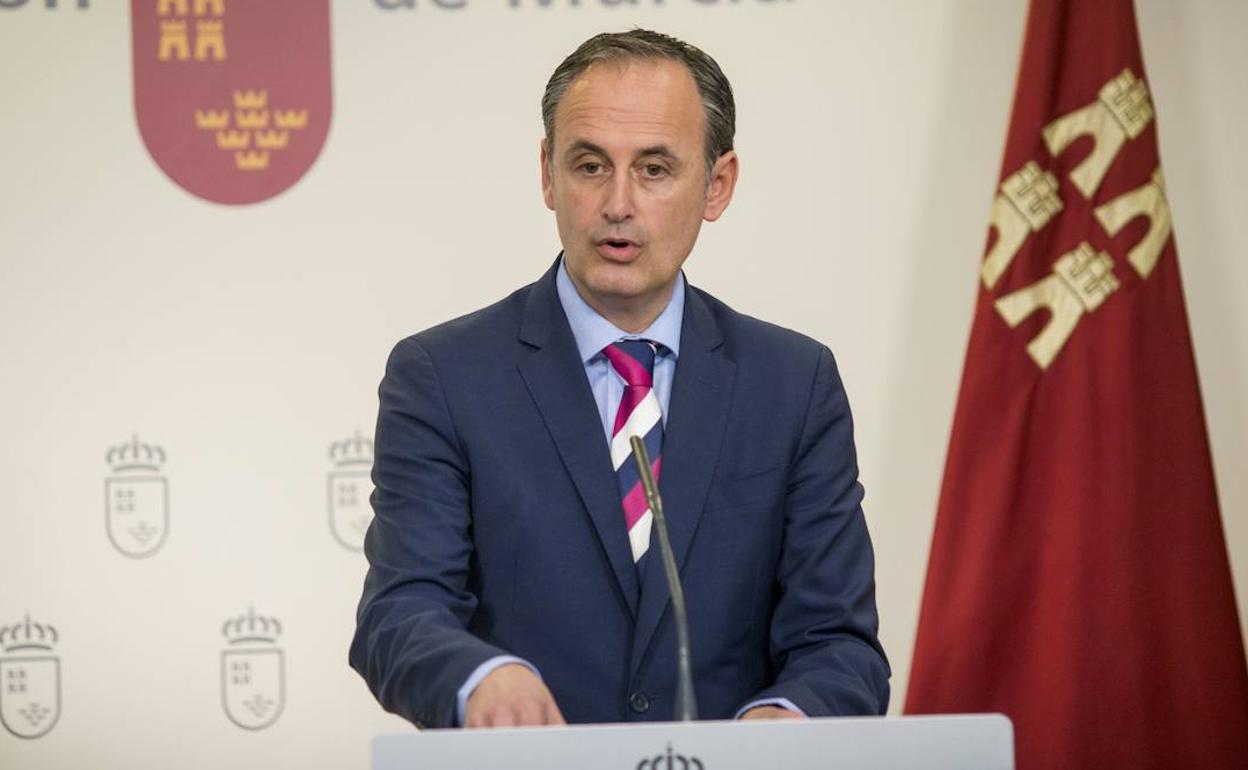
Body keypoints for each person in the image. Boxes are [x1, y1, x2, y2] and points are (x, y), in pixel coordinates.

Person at [349, 29, 889, 729]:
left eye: (656, 169)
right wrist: (479, 676)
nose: (618, 205)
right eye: (590, 165)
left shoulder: (792, 384)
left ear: (717, 185)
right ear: (548, 173)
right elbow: (399, 614)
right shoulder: (445, 377)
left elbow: (840, 644)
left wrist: (790, 717)